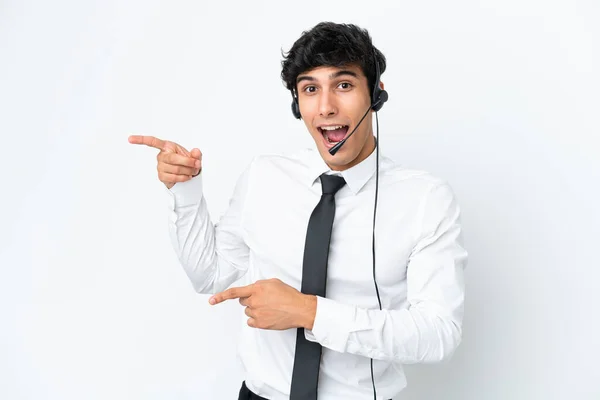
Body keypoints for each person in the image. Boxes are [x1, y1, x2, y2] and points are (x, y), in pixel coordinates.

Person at [129, 22, 467, 400]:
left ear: (376, 95)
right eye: (310, 89)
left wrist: (309, 313)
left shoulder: (425, 199)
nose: (325, 107)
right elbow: (211, 275)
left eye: (343, 85)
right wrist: (185, 189)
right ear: (297, 104)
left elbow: (439, 334)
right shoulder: (264, 175)